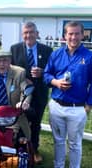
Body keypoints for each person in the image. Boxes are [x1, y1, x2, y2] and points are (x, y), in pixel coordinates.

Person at [44, 21, 92, 168]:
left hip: (77, 108)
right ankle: (58, 165)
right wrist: (56, 82)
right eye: (70, 33)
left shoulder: (89, 57)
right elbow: (46, 74)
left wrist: (89, 105)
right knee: (58, 141)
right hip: (57, 106)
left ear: (82, 35)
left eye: (77, 33)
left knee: (75, 143)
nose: (73, 37)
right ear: (65, 35)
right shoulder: (56, 53)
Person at [10, 21, 53, 163]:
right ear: (22, 35)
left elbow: (52, 71)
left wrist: (43, 72)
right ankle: (18, 149)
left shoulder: (47, 50)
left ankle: (34, 150)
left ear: (37, 33)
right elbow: (11, 71)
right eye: (25, 33)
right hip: (20, 93)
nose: (28, 35)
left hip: (40, 92)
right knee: (19, 121)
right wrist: (23, 80)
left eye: (31, 32)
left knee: (36, 122)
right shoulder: (14, 49)